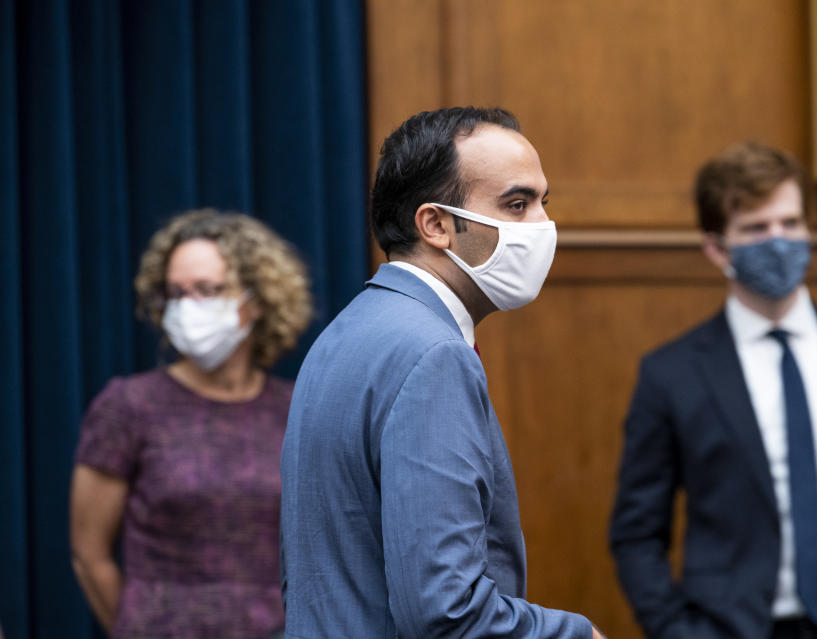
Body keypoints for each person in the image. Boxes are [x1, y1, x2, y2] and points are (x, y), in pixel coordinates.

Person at [280, 107, 604, 638]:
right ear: (435, 225)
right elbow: (446, 611)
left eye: (545, 203)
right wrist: (575, 634)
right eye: (517, 205)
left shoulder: (349, 331)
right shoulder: (433, 354)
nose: (543, 226)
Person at [609, 142, 817, 639]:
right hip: (734, 628)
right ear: (716, 248)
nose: (778, 240)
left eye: (790, 224)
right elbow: (637, 534)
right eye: (756, 229)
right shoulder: (671, 375)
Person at [70, 210, 312, 638]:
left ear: (255, 300)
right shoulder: (128, 406)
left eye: (207, 290)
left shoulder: (297, 408)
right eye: (175, 293)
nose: (188, 307)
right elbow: (89, 554)